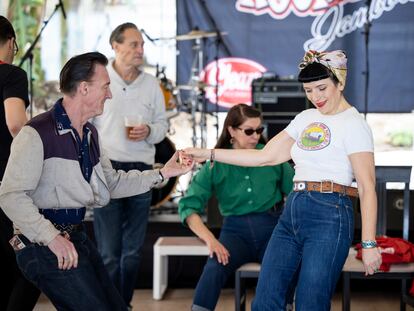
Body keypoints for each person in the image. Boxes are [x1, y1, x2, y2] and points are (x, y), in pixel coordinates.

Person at [184, 50, 382, 311]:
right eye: (309, 90)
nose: (315, 97)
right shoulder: (305, 118)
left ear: (340, 82)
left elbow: (367, 187)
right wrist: (208, 153)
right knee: (266, 299)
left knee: (310, 302)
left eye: (321, 88)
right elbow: (265, 156)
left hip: (330, 213)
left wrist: (369, 243)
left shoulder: (354, 124)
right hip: (292, 212)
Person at [0, 51, 193, 311]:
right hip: (40, 244)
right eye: (106, 86)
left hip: (74, 236)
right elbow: (10, 196)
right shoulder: (36, 132)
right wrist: (52, 238)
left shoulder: (90, 133)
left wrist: (162, 173)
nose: (110, 94)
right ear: (84, 88)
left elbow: (110, 183)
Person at [178, 104, 295, 311]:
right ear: (231, 131)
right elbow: (188, 206)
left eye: (259, 130)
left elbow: (297, 193)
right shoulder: (214, 164)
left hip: (273, 230)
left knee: (285, 264)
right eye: (249, 131)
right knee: (214, 267)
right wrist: (211, 241)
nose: (256, 136)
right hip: (235, 234)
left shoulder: (272, 157)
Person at [91, 22, 168, 308]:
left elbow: (163, 126)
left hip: (142, 170)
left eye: (142, 45)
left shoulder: (151, 84)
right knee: (109, 253)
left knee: (133, 252)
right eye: (134, 44)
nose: (140, 50)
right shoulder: (99, 79)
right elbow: (86, 124)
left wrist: (149, 130)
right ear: (115, 45)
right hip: (106, 169)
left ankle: (124, 304)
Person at [0, 15, 41, 311]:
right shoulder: (11, 75)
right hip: (5, 184)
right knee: (30, 264)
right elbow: (16, 124)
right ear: (12, 42)